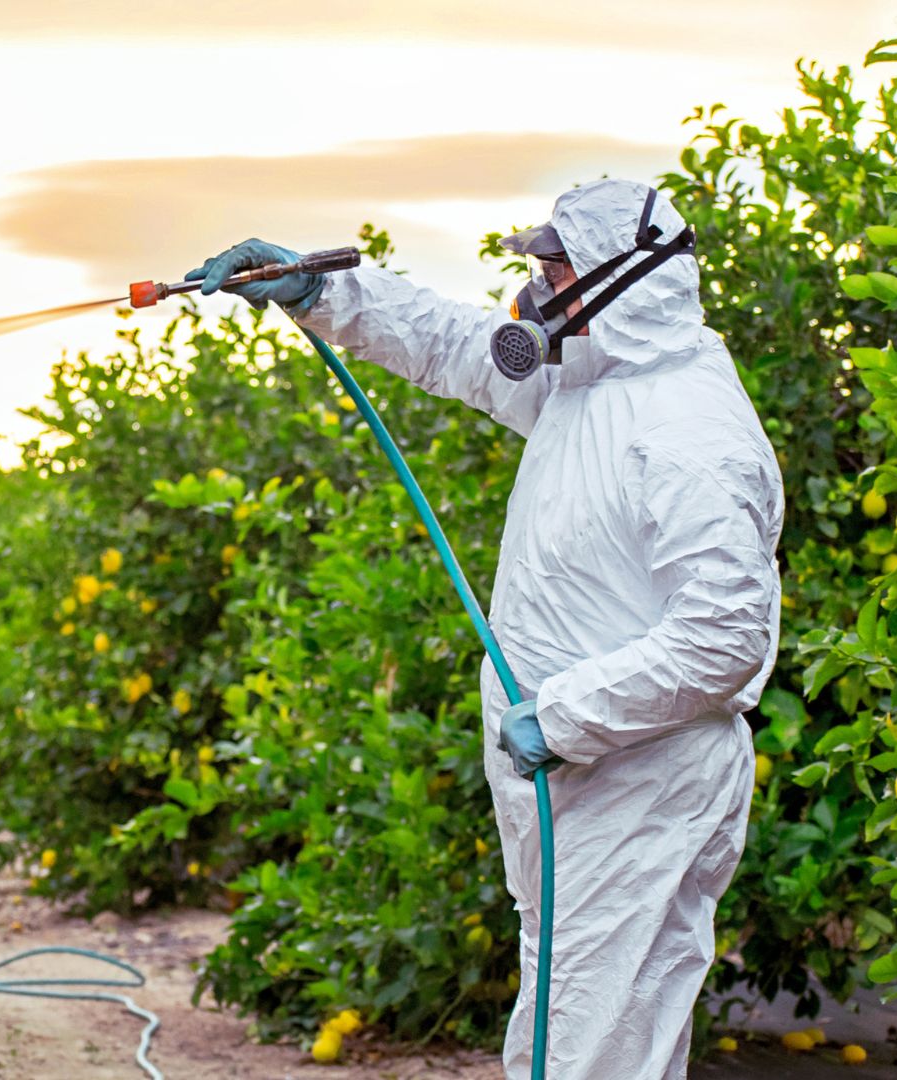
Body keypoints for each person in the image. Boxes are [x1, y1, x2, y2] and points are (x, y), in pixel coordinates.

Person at [188, 178, 784, 1079]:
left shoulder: (688, 427)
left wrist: (566, 716)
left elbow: (724, 634)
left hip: (639, 785)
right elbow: (454, 345)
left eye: (551, 269)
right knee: (592, 1033)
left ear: (626, 279)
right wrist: (322, 293)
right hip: (584, 788)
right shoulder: (591, 387)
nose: (530, 293)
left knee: (585, 1049)